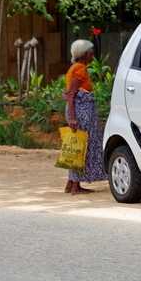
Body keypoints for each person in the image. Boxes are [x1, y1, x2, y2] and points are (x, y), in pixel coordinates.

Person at [61, 39, 108, 194]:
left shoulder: (75, 68)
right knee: (82, 146)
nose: (93, 55)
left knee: (76, 145)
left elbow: (66, 94)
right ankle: (76, 186)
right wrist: (73, 118)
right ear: (85, 54)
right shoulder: (80, 69)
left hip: (79, 110)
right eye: (91, 52)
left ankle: (71, 184)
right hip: (80, 112)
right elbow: (70, 96)